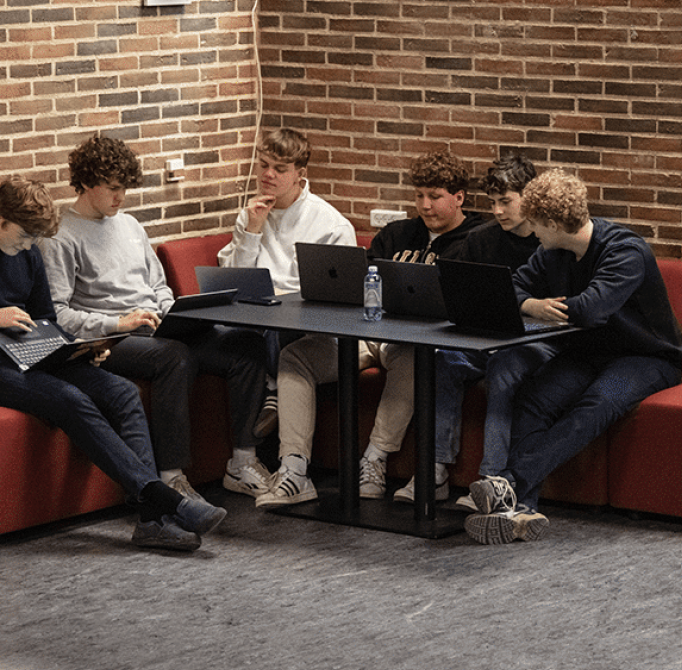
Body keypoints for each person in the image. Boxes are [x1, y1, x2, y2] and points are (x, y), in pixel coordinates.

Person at [463, 168, 682, 545]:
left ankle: (510, 484)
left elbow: (591, 308)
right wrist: (534, 304)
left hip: (647, 358)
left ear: (553, 223)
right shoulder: (552, 250)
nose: (532, 232)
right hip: (587, 352)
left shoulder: (625, 251)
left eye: (536, 224)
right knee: (535, 400)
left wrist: (543, 306)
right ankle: (518, 511)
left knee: (596, 404)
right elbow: (515, 288)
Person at [41, 134, 272, 503]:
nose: (120, 198)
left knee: (245, 345)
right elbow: (59, 315)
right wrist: (119, 323)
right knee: (174, 356)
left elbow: (158, 285)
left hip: (157, 325)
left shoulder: (130, 225)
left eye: (125, 190)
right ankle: (172, 477)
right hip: (110, 340)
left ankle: (243, 462)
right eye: (113, 189)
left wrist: (171, 310)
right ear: (85, 182)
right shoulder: (60, 236)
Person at [0, 176, 227, 552]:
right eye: (23, 236)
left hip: (30, 351)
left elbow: (44, 317)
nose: (28, 246)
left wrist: (79, 349)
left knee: (121, 392)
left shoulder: (27, 252)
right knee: (71, 399)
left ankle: (150, 522)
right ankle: (162, 501)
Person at [256, 149, 483, 508]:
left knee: (415, 357)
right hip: (368, 332)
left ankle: (374, 460)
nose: (425, 206)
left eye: (435, 197)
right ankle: (294, 469)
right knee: (294, 356)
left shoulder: (476, 240)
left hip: (417, 342)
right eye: (419, 196)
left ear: (459, 198)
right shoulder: (396, 234)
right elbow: (360, 284)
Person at [392, 153, 540, 506]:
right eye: (493, 203)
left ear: (530, 198)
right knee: (443, 359)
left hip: (535, 340)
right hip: (484, 336)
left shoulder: (549, 240)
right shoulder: (483, 238)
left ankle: (492, 480)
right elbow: (447, 283)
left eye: (506, 202)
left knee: (504, 369)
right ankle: (436, 469)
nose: (499, 211)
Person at [217, 127, 357, 437]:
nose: (268, 175)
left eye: (279, 169)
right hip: (256, 316)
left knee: (274, 318)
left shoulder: (330, 225)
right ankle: (247, 447)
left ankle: (272, 390)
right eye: (263, 164)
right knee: (225, 332)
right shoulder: (249, 215)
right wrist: (252, 231)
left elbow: (337, 300)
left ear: (300, 174)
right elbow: (235, 282)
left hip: (308, 328)